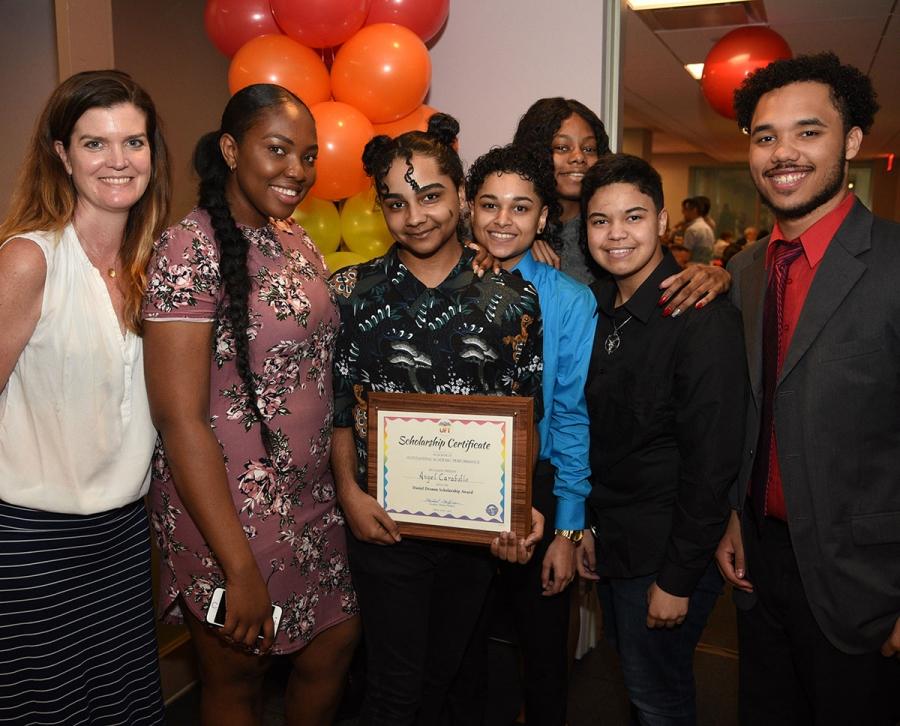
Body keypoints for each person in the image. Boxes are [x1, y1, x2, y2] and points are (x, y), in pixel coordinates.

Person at [142, 84, 359, 725]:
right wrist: (236, 564)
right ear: (232, 150)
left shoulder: (295, 239)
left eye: (310, 155)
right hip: (225, 509)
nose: (298, 169)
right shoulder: (188, 248)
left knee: (335, 641)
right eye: (278, 149)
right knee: (239, 674)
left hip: (310, 495)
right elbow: (177, 417)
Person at [331, 114, 545, 725]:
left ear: (460, 196)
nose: (416, 215)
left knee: (448, 678)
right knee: (393, 691)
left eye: (430, 196)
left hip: (472, 537)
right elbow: (340, 407)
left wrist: (517, 507)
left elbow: (522, 409)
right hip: (385, 525)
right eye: (396, 203)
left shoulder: (510, 298)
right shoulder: (351, 291)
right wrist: (348, 492)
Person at [714, 52, 900, 725]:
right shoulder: (743, 271)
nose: (782, 153)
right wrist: (736, 511)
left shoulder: (893, 262)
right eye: (765, 137)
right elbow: (753, 410)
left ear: (851, 142)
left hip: (867, 581)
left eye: (807, 131)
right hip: (759, 569)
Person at [0, 69, 170, 724]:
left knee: (122, 707)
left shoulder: (154, 266)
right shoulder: (29, 261)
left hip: (123, 538)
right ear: (62, 155)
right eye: (95, 143)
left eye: (134, 141)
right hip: (32, 545)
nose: (119, 160)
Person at [576, 153, 747, 725]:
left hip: (667, 555)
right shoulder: (599, 309)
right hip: (618, 538)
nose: (617, 233)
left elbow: (712, 462)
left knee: (658, 698)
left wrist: (676, 580)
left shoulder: (700, 316)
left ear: (663, 220)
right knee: (639, 684)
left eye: (634, 216)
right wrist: (591, 527)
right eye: (600, 221)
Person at [466, 144, 595, 725]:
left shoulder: (569, 299)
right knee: (461, 655)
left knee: (543, 658)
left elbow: (571, 414)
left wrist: (567, 526)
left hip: (537, 482)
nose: (502, 220)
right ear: (469, 209)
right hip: (454, 481)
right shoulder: (443, 285)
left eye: (521, 208)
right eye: (490, 204)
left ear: (544, 218)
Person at [512, 97, 731, 316]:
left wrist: (720, 275)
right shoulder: (508, 226)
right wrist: (515, 250)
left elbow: (653, 274)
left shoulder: (606, 234)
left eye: (589, 149)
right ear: (535, 153)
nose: (578, 157)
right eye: (561, 147)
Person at [681, 197, 715, 264]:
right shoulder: (708, 228)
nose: (683, 213)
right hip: (707, 266)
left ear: (694, 210)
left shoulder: (692, 229)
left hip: (693, 267)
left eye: (685, 210)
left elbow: (685, 255)